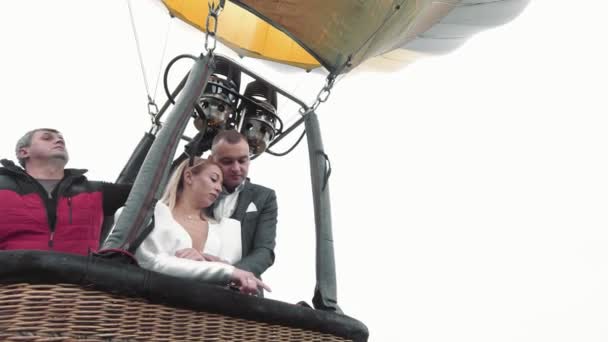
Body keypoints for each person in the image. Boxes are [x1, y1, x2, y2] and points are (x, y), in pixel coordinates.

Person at [134, 157, 270, 295]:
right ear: (188, 176)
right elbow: (148, 261)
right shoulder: (154, 214)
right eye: (213, 179)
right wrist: (217, 269)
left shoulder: (222, 230)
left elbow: (232, 281)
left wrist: (221, 266)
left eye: (221, 183)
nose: (218, 188)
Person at [0, 128, 131, 255]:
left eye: (61, 139)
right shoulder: (2, 186)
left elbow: (148, 192)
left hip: (79, 276)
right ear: (24, 152)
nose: (59, 140)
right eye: (47, 138)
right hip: (11, 275)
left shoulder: (95, 191)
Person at [209, 130, 278, 278]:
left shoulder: (265, 197)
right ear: (211, 160)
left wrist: (232, 273)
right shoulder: (194, 189)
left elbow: (264, 251)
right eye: (227, 162)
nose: (236, 168)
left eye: (242, 161)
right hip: (192, 284)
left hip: (242, 290)